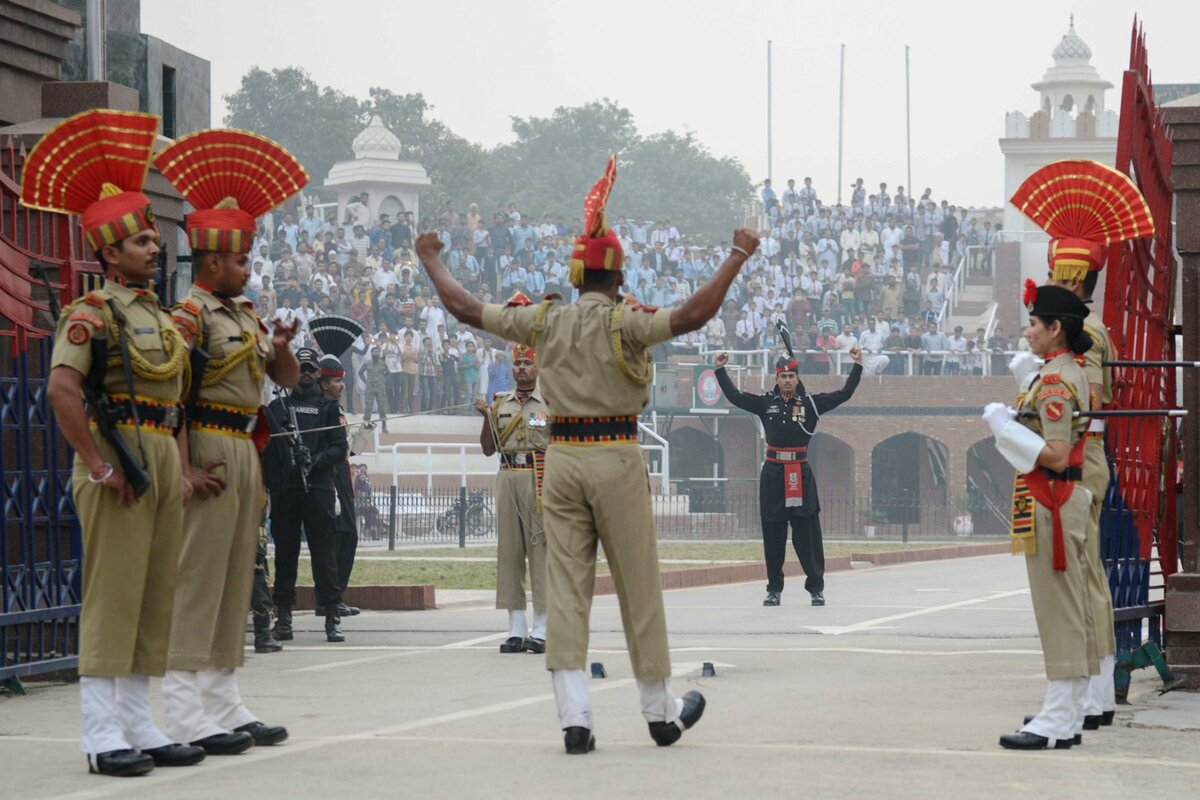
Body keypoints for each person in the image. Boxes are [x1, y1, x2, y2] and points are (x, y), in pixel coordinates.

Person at [417, 156, 759, 754]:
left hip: (562, 460)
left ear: (575, 277)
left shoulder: (545, 320)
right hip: (617, 454)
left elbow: (468, 310)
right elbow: (695, 315)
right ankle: (660, 711)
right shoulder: (629, 320)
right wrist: (737, 256)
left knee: (565, 588)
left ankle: (575, 718)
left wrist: (432, 259)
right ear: (618, 278)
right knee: (638, 585)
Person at [29, 110, 205, 776]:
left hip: (156, 451)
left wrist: (179, 467)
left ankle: (139, 722)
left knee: (153, 591)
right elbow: (62, 394)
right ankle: (101, 733)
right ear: (107, 253)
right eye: (139, 242)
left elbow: (176, 398)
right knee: (114, 595)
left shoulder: (159, 315)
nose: (154, 249)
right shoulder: (90, 313)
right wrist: (101, 467)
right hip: (117, 458)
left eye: (154, 239)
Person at [155, 128, 304, 753]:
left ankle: (224, 699)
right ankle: (185, 708)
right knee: (198, 577)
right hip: (209, 447)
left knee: (235, 575)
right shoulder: (188, 317)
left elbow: (284, 381)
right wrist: (184, 467)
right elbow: (174, 398)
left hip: (246, 448)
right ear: (211, 261)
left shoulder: (245, 314)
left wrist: (282, 349)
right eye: (240, 259)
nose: (248, 268)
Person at [1010, 159, 1157, 731]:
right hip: (1085, 454)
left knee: (1078, 579)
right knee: (1089, 576)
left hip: (1076, 458)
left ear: (1072, 278)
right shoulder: (1093, 332)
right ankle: (1091, 696)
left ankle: (1085, 698)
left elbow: (1082, 404)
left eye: (1058, 274)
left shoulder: (1084, 336)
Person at [983, 282, 1096, 751]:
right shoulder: (1064, 372)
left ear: (1056, 328)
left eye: (1034, 324)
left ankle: (1056, 718)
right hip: (1060, 498)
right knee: (1070, 608)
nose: (1028, 333)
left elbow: (1054, 453)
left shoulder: (1055, 382)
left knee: (1059, 612)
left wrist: (1005, 431)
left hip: (1052, 497)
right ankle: (1066, 715)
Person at [713, 346, 863, 607]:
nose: (787, 381)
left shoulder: (810, 404)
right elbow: (735, 396)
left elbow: (844, 393)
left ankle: (816, 587)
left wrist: (857, 366)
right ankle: (774, 589)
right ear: (776, 379)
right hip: (773, 475)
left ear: (797, 378)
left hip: (800, 474)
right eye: (782, 377)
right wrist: (719, 369)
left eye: (791, 377)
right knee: (773, 533)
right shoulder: (765, 403)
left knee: (807, 534)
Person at [262, 348, 349, 643]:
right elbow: (267, 448)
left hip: (319, 487)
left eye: (312, 369)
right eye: (302, 368)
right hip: (286, 489)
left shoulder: (328, 406)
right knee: (285, 555)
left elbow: (340, 448)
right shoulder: (277, 407)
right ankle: (283, 617)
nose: (307, 373)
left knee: (324, 555)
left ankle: (331, 617)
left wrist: (314, 461)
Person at [476, 336, 550, 653]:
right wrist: (486, 418)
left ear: (538, 366)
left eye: (527, 363)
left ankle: (543, 628)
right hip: (507, 476)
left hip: (540, 478)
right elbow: (488, 449)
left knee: (541, 553)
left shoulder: (552, 403)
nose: (521, 368)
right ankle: (516, 628)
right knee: (509, 553)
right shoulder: (500, 403)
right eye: (517, 363)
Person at [318, 354, 362, 616]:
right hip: (330, 474)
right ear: (323, 384)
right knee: (335, 537)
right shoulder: (323, 410)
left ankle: (335, 595)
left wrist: (362, 437)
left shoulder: (338, 410)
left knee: (348, 536)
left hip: (343, 473)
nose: (341, 386)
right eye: (336, 381)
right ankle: (328, 599)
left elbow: (347, 450)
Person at [358, 345, 390, 432]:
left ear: (379, 353)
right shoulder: (367, 363)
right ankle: (367, 426)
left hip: (380, 388)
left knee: (382, 407)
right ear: (371, 353)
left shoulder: (383, 363)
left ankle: (384, 427)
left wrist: (384, 381)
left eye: (377, 352)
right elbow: (360, 372)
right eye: (374, 352)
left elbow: (388, 373)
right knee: (368, 407)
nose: (376, 353)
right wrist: (366, 381)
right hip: (370, 388)